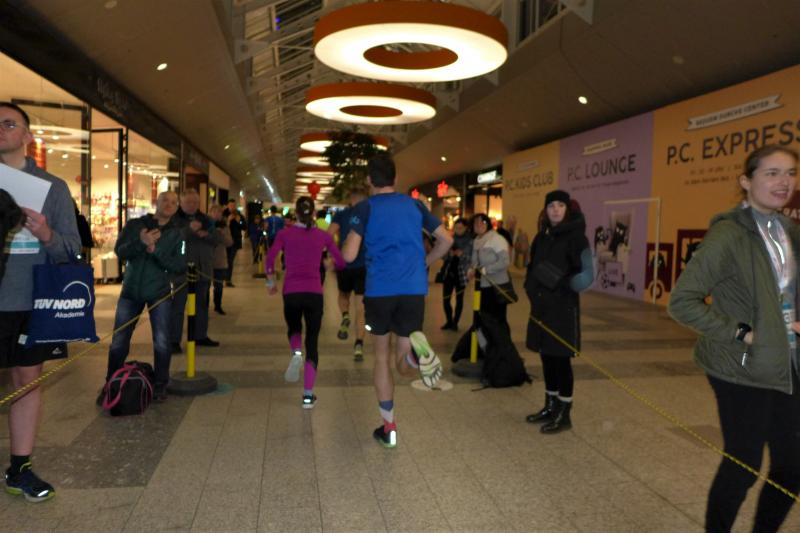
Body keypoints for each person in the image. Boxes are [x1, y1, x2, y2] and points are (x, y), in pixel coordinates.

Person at [668, 145, 800, 533]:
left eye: (791, 173)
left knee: (792, 467)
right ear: (746, 181)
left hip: (788, 364)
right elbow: (682, 301)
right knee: (743, 465)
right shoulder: (728, 235)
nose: (784, 182)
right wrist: (742, 333)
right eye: (772, 173)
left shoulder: (791, 232)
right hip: (741, 367)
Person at [342, 153, 452, 448]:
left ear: (369, 180)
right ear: (395, 178)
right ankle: (416, 355)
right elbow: (447, 240)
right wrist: (425, 262)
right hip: (413, 290)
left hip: (380, 291)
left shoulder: (365, 208)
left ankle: (389, 428)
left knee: (381, 357)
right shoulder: (415, 205)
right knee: (404, 365)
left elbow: (349, 255)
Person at [0, 102, 81, 502]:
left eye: (8, 123)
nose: (0, 130)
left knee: (26, 382)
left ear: (28, 137)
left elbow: (72, 249)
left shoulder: (53, 188)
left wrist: (46, 232)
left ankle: (20, 468)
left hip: (32, 301)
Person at [104, 191, 185, 403]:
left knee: (162, 341)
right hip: (130, 292)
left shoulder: (177, 234)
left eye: (173, 202)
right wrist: (140, 242)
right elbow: (120, 251)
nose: (169, 204)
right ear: (156, 202)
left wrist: (155, 251)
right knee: (119, 341)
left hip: (159, 293)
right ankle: (111, 383)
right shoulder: (135, 225)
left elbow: (179, 265)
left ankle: (160, 385)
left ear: (177, 207)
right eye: (165, 200)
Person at [265, 196, 345, 409]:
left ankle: (296, 352)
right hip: (314, 293)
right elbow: (341, 261)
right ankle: (308, 396)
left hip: (291, 292)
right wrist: (329, 264)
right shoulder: (322, 236)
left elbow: (270, 258)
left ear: (296, 213)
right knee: (313, 341)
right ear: (314, 213)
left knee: (294, 328)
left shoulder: (284, 234)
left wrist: (271, 282)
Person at [524, 190, 593, 434]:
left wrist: (561, 285)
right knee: (546, 357)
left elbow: (586, 275)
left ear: (567, 209)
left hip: (563, 308)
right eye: (551, 205)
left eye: (560, 205)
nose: (555, 210)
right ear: (545, 210)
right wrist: (531, 287)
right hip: (541, 306)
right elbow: (532, 267)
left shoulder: (577, 238)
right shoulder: (541, 237)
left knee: (561, 360)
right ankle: (550, 406)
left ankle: (564, 413)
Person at [170, 189, 220, 352]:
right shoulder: (174, 219)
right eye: (188, 202)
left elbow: (217, 240)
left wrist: (207, 235)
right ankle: (174, 340)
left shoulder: (206, 220)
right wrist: (189, 230)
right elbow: (171, 240)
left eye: (195, 202)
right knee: (178, 306)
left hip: (203, 269)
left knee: (202, 305)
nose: (192, 205)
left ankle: (200, 335)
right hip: (182, 270)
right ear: (181, 203)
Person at [329, 188, 368, 360]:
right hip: (364, 266)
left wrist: (334, 254)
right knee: (361, 308)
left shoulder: (342, 214)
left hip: (344, 263)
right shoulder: (370, 214)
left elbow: (328, 235)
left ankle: (345, 316)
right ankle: (358, 344)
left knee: (343, 294)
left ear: (351, 199)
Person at [468, 213, 512, 326]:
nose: (479, 225)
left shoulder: (497, 239)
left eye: (483, 222)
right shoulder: (476, 241)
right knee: (484, 316)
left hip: (497, 285)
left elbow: (505, 261)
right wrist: (472, 269)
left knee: (497, 319)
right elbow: (475, 261)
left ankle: (500, 338)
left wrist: (486, 269)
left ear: (488, 224)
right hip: (481, 285)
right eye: (476, 223)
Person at [441, 218, 472, 331]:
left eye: (460, 228)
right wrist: (448, 254)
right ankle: (449, 321)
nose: (458, 230)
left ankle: (455, 323)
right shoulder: (450, 239)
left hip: (461, 274)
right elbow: (443, 256)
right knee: (446, 299)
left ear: (466, 228)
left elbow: (471, 258)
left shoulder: (470, 241)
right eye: (456, 228)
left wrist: (461, 254)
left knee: (459, 299)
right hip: (449, 273)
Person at [209, 205, 233, 315]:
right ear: (210, 213)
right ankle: (204, 306)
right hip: (207, 260)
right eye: (214, 212)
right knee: (204, 286)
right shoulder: (206, 225)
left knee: (218, 285)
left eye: (219, 212)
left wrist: (222, 234)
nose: (216, 214)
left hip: (220, 260)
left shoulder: (224, 226)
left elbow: (229, 242)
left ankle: (218, 305)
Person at [224, 199, 244, 287]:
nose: (232, 207)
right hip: (225, 241)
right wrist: (228, 221)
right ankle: (223, 278)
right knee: (225, 260)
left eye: (234, 206)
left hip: (235, 242)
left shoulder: (239, 215)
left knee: (230, 260)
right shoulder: (224, 214)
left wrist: (239, 221)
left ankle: (228, 280)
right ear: (228, 206)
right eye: (231, 205)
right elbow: (220, 226)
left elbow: (244, 227)